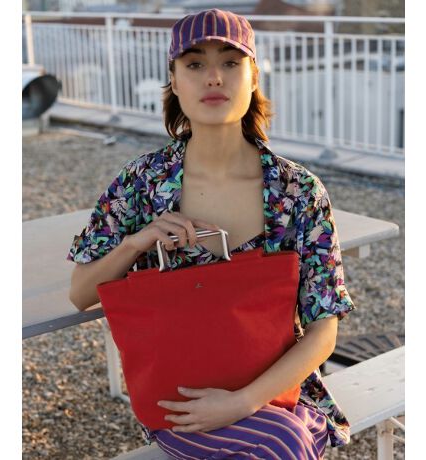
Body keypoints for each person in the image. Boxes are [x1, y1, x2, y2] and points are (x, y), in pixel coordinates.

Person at [67, 8, 356, 459]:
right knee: (282, 444)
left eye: (230, 62)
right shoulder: (142, 183)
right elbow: (81, 293)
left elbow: (323, 328)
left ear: (254, 76)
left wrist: (243, 402)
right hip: (185, 401)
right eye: (195, 63)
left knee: (283, 439)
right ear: (174, 80)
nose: (214, 77)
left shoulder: (298, 191)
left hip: (281, 391)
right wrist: (137, 242)